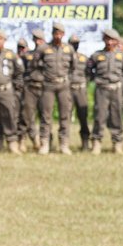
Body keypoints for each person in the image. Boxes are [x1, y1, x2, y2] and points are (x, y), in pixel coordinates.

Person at [35, 25, 75, 154]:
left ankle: (64, 144)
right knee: (46, 116)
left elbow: (73, 68)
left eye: (60, 34)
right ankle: (45, 143)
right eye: (55, 33)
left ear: (63, 34)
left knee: (65, 116)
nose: (58, 36)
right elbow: (35, 66)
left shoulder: (69, 49)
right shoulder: (44, 49)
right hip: (48, 86)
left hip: (64, 86)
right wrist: (42, 79)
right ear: (52, 34)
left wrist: (69, 80)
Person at [87, 28, 123, 153]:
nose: (109, 42)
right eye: (107, 39)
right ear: (104, 39)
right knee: (100, 115)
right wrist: (96, 80)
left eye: (112, 40)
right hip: (102, 89)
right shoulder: (96, 55)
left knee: (117, 116)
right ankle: (97, 142)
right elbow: (88, 70)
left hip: (116, 89)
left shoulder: (122, 56)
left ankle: (117, 143)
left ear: (116, 41)